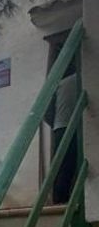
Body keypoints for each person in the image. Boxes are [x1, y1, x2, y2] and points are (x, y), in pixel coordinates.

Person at [50, 66, 78, 204]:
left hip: (59, 128)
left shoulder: (60, 84)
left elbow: (48, 111)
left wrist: (54, 123)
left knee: (62, 165)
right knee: (72, 164)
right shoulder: (83, 80)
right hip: (75, 126)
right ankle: (70, 199)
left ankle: (59, 200)